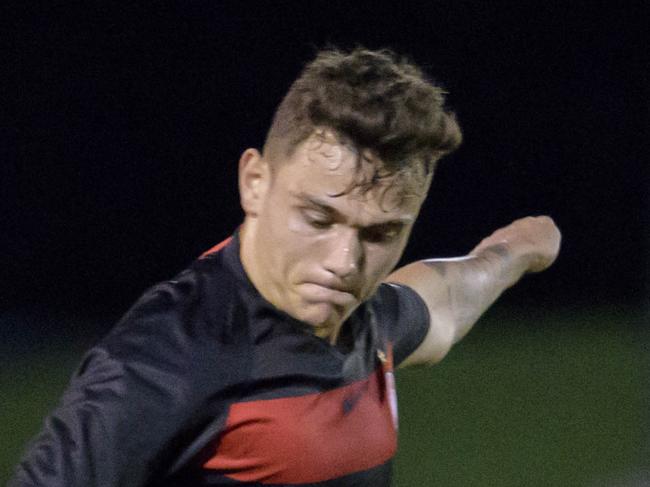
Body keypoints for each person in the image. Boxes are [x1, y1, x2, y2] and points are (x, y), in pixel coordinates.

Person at [10, 47, 561, 486]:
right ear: (255, 182)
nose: (345, 263)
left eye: (380, 233)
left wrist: (515, 252)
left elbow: (445, 300)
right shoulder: (165, 361)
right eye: (319, 219)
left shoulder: (366, 322)